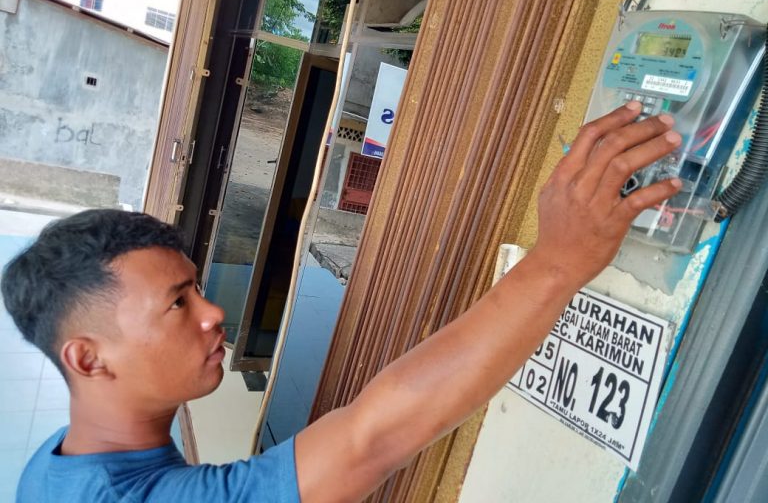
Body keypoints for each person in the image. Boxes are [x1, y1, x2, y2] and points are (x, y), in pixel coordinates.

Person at [2, 102, 681, 502]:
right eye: (177, 305)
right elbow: (372, 436)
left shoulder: (56, 467)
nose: (213, 314)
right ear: (88, 358)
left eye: (197, 289)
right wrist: (560, 260)